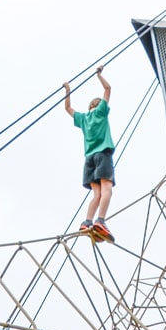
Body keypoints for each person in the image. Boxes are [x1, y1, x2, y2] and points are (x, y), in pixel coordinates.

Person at [63, 65, 115, 243]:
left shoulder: (84, 119)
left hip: (89, 160)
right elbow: (108, 89)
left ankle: (87, 222)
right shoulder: (101, 111)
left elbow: (68, 108)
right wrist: (99, 75)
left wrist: (68, 90)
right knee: (107, 189)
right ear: (99, 105)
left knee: (97, 194)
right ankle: (100, 220)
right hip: (103, 155)